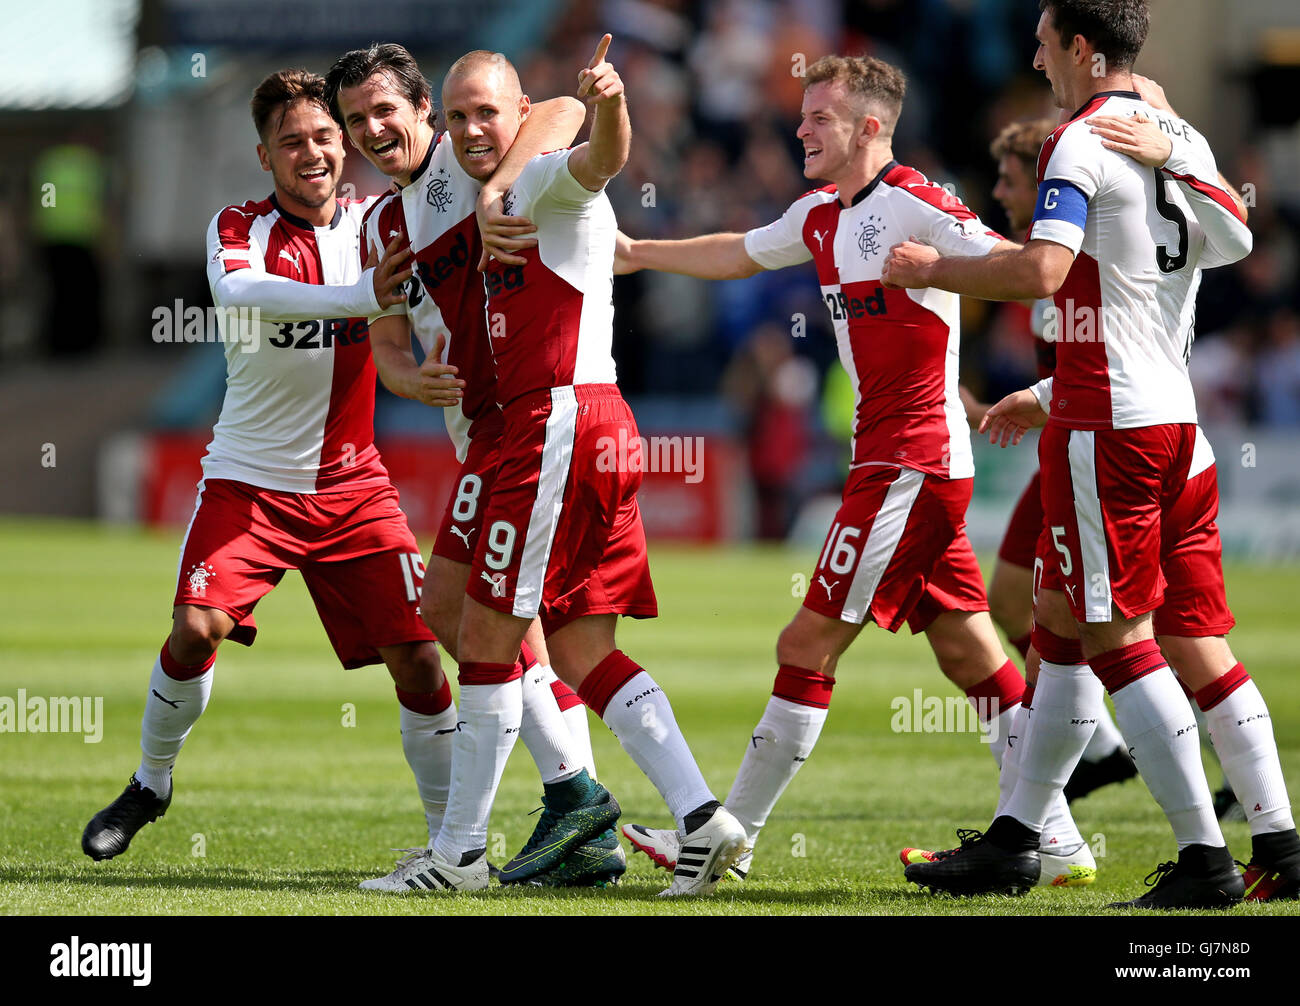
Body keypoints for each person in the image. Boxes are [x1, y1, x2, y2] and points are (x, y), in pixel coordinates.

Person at [614, 54, 1097, 888]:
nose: (800, 130)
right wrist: (637, 250)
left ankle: (730, 836)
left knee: (807, 640)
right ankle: (1054, 837)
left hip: (909, 463)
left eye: (819, 119)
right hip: (897, 463)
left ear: (871, 127)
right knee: (967, 647)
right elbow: (739, 251)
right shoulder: (819, 216)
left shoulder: (919, 199)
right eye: (801, 117)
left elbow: (1027, 270)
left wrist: (939, 272)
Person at [884, 0, 1298, 907]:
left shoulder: (1075, 141)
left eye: (1041, 41)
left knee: (1115, 641)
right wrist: (1182, 155)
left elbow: (1038, 272)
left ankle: (1204, 861)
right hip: (1173, 424)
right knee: (1077, 634)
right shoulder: (1168, 130)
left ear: (1081, 45)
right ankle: (1031, 839)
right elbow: (1232, 238)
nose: (1034, 59)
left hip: (1111, 431)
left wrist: (930, 268)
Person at [81, 69, 460, 864]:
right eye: (293, 142)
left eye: (326, 136)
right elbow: (248, 294)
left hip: (355, 487)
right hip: (250, 483)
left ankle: (447, 845)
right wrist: (362, 298)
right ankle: (151, 782)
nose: (313, 152)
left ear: (348, 141)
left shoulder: (379, 221)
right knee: (193, 630)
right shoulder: (238, 229)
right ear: (265, 155)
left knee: (422, 659)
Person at [325, 42, 624, 889]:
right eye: (357, 121)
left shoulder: (472, 155)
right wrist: (406, 377)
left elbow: (562, 114)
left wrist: (495, 186)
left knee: (488, 626)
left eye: (386, 111)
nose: (373, 130)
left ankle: (495, 837)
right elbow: (384, 342)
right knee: (481, 623)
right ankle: (583, 814)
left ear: (425, 108)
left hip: (533, 422)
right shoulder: (377, 225)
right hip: (476, 436)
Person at [981, 115, 1138, 801]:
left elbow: (1092, 369)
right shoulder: (1033, 258)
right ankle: (1099, 749)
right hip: (1061, 451)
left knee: (1117, 631)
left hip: (1096, 448)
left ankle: (1204, 762)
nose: (1000, 192)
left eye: (1011, 181)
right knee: (1021, 604)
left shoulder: (1061, 266)